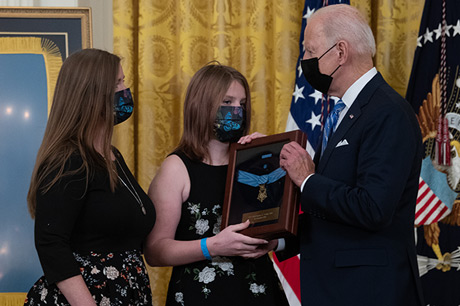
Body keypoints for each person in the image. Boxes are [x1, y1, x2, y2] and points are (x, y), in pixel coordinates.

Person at [278, 4, 425, 306]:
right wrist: (279, 235)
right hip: (341, 289)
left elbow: (372, 207)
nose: (304, 61)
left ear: (340, 52)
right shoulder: (347, 111)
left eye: (309, 51)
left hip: (369, 292)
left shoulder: (387, 113)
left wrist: (307, 180)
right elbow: (335, 215)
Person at [144, 63, 289, 306]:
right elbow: (155, 251)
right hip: (201, 296)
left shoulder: (255, 160)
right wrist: (212, 246)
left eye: (241, 104)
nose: (236, 111)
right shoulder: (177, 167)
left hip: (260, 291)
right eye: (227, 102)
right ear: (201, 105)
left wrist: (272, 157)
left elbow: (279, 224)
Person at [24, 48, 155, 305]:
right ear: (91, 94)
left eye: (123, 81)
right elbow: (51, 243)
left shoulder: (112, 154)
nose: (126, 89)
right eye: (118, 82)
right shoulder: (68, 160)